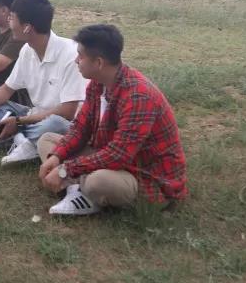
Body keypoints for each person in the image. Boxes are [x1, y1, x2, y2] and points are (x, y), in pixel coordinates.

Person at [37, 25, 188, 216]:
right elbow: (80, 128)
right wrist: (57, 157)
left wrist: (65, 169)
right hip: (109, 157)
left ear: (99, 63)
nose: (76, 60)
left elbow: (118, 155)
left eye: (80, 56)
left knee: (98, 182)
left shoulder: (138, 96)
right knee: (47, 141)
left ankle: (82, 189)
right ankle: (79, 190)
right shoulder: (97, 84)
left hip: (143, 174)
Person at [0, 0, 87, 166]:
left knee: (54, 124)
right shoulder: (27, 50)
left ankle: (16, 138)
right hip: (33, 116)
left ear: (27, 28)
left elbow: (67, 112)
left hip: (64, 122)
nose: (9, 22)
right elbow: (7, 89)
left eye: (12, 18)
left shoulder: (70, 54)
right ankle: (23, 141)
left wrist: (18, 121)